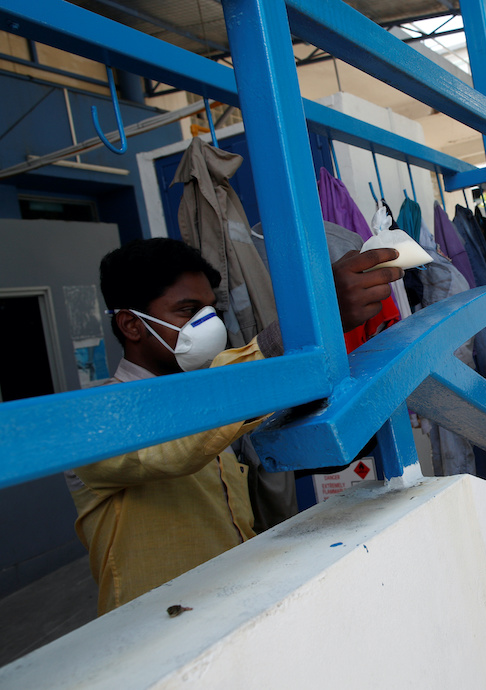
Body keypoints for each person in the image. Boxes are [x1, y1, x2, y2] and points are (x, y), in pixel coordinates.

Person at [67, 237, 402, 614]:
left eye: (210, 311)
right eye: (187, 311)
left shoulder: (213, 396)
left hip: (233, 609)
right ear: (131, 325)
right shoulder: (92, 418)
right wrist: (313, 318)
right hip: (155, 636)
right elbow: (176, 447)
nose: (207, 326)